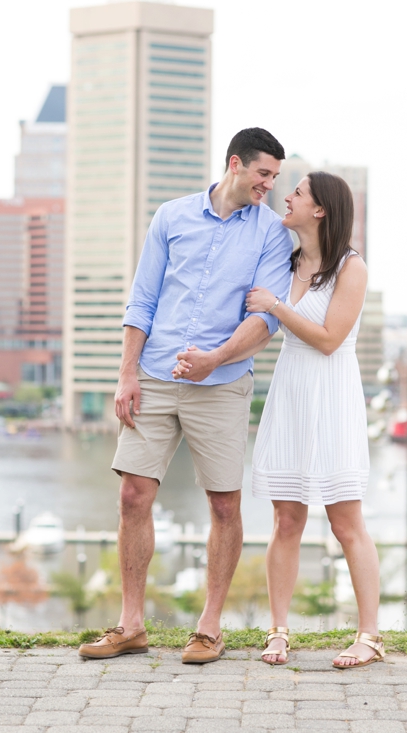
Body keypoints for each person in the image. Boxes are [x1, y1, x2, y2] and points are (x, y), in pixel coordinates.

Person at [78, 128, 293, 663]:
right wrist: (127, 373)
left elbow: (264, 318)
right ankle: (131, 625)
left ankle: (210, 627)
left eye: (276, 177)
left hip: (220, 385)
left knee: (224, 504)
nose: (270, 185)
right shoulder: (171, 217)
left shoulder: (271, 234)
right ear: (236, 164)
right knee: (133, 496)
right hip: (153, 376)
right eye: (264, 173)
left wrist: (214, 359)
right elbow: (143, 298)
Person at [238, 172, 379, 669]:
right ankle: (278, 631)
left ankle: (369, 636)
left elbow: (327, 339)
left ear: (320, 210)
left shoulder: (351, 267)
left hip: (334, 395)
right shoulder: (286, 259)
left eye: (296, 192)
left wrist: (275, 304)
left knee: (346, 522)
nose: (287, 197)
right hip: (291, 391)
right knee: (287, 518)